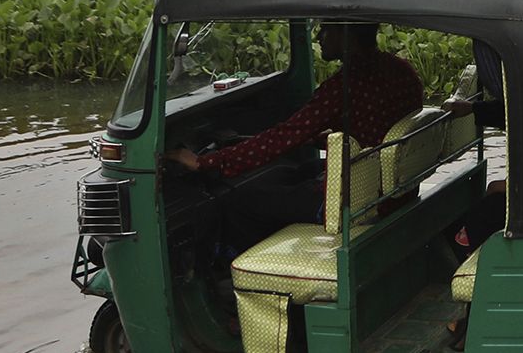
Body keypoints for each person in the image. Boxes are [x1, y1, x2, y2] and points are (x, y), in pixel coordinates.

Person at [166, 22, 424, 235]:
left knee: (239, 200)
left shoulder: (344, 87)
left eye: (326, 30)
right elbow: (378, 128)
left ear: (347, 36)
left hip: (356, 200)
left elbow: (283, 137)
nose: (319, 37)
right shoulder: (401, 70)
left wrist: (206, 162)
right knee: (290, 172)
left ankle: (242, 277)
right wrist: (321, 138)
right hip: (394, 188)